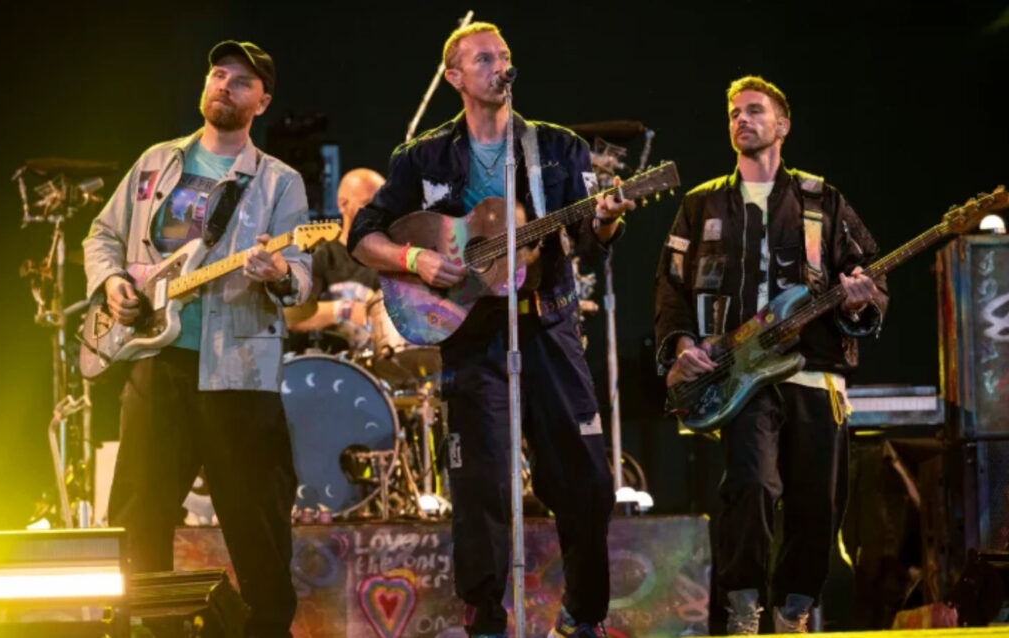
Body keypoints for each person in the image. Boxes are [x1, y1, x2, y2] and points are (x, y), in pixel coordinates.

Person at [348, 22, 633, 638]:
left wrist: (607, 220)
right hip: (470, 337)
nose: (498, 65)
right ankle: (485, 622)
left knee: (586, 480)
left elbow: (590, 240)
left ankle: (582, 618)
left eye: (504, 55)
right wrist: (416, 259)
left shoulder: (555, 147)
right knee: (481, 488)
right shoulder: (421, 157)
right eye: (483, 58)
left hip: (548, 325)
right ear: (454, 76)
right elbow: (363, 236)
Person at [83, 41, 311, 638]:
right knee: (138, 518)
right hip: (155, 363)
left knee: (258, 526)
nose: (224, 85)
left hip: (238, 375)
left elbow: (301, 275)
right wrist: (112, 282)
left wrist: (278, 271)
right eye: (218, 74)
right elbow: (102, 236)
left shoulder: (279, 182)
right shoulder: (157, 161)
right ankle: (144, 629)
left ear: (262, 102)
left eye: (242, 81)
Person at [654, 76, 889, 634]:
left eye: (755, 110)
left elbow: (870, 274)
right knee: (751, 486)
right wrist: (682, 346)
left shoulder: (821, 200)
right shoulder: (700, 204)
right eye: (734, 112)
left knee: (818, 505)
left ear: (782, 124)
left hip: (815, 373)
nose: (742, 119)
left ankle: (793, 613)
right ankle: (743, 611)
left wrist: (861, 299)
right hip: (741, 380)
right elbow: (670, 287)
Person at [286, 168, 384, 353]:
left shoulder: (390, 263)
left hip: (380, 364)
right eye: (369, 204)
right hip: (326, 363)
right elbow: (292, 317)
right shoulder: (321, 256)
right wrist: (346, 310)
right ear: (342, 204)